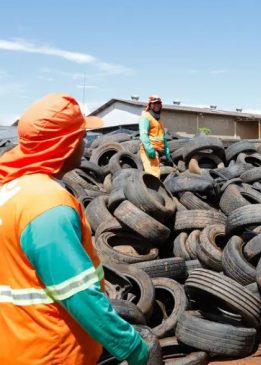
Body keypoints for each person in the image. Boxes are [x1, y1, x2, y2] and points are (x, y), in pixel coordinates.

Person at [0, 94, 149, 365]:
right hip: (53, 353)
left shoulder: (10, 192)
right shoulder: (47, 205)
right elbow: (77, 293)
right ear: (65, 145)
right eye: (81, 137)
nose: (84, 144)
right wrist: (131, 347)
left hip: (17, 347)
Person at [139, 95, 171, 177]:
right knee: (153, 175)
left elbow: (162, 136)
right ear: (150, 105)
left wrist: (166, 149)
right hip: (150, 150)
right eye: (154, 103)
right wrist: (149, 148)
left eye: (158, 103)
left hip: (158, 150)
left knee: (157, 172)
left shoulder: (159, 119)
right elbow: (143, 134)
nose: (157, 105)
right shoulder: (146, 117)